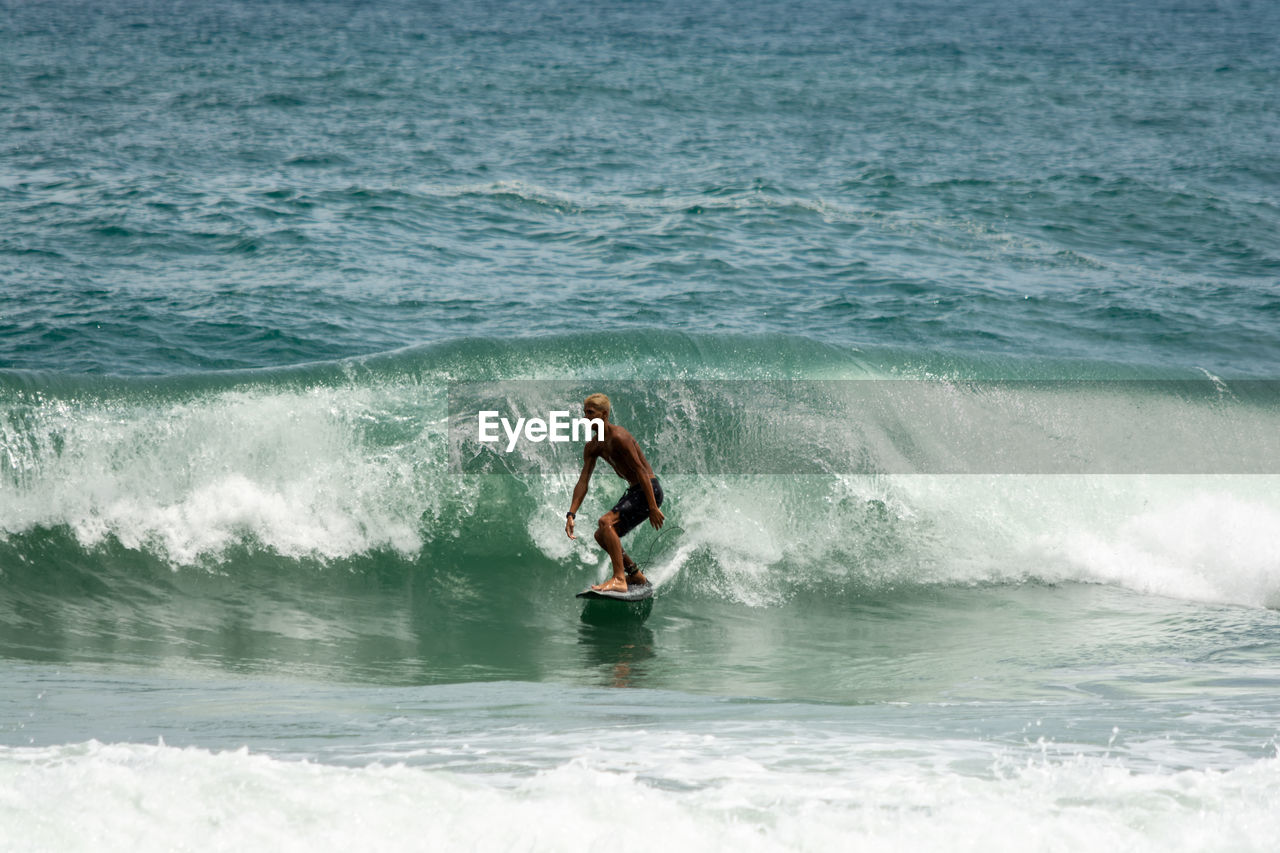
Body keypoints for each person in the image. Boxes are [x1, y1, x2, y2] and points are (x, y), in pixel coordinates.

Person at [565, 393, 665, 592]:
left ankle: (619, 578)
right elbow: (583, 481)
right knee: (602, 535)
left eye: (590, 413)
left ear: (604, 414)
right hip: (635, 490)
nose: (586, 417)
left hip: (648, 489)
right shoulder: (593, 447)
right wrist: (571, 513)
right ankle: (635, 574)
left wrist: (652, 506)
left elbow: (641, 470)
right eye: (584, 413)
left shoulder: (620, 437)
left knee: (605, 522)